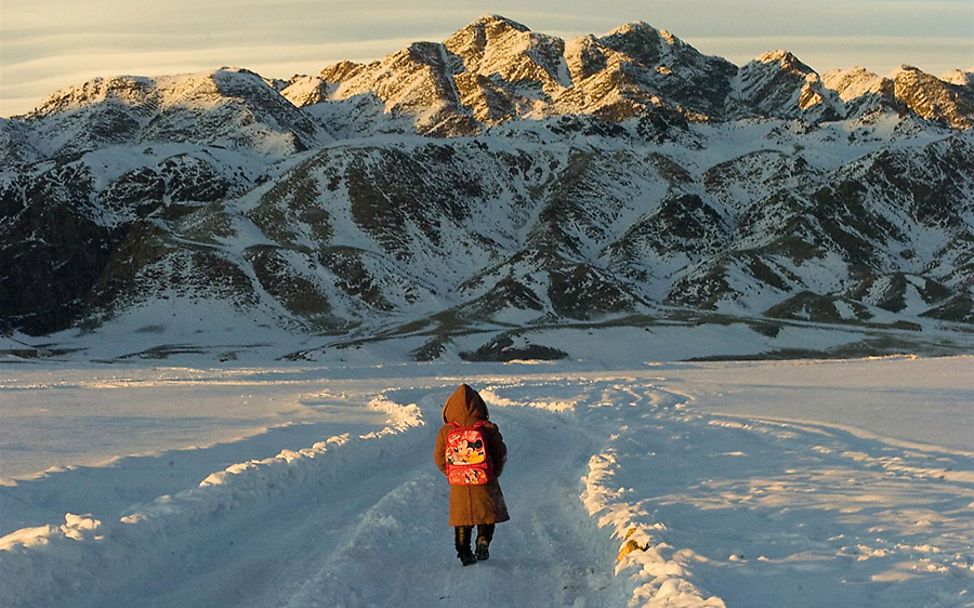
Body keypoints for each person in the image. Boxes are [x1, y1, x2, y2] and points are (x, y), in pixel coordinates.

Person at [433, 383, 510, 566]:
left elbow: (438, 458)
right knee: (487, 514)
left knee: (462, 518)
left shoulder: (446, 431)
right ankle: (483, 539)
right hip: (484, 478)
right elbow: (500, 453)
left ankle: (464, 552)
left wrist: (453, 472)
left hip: (459, 482)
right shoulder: (488, 427)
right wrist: (494, 472)